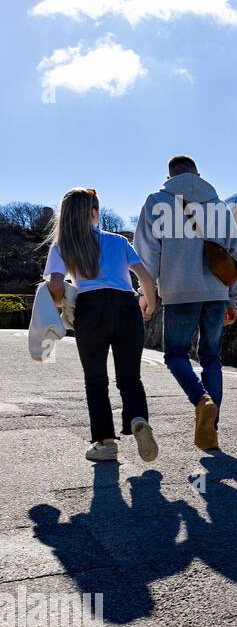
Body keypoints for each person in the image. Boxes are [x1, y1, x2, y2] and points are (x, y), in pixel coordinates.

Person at [134, 155, 237, 453]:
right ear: (198, 174)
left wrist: (146, 293)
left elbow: (147, 253)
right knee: (211, 357)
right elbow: (234, 253)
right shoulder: (220, 206)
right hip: (218, 293)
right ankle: (211, 430)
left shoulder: (157, 202)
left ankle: (200, 400)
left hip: (180, 293)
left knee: (176, 355)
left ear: (169, 177)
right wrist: (233, 296)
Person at [43, 188, 160, 463]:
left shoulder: (62, 246)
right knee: (130, 378)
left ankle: (106, 444)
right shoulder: (118, 241)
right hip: (127, 307)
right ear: (94, 213)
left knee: (96, 380)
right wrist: (150, 304)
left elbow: (57, 284)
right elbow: (145, 277)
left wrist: (61, 306)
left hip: (90, 309)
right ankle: (138, 419)